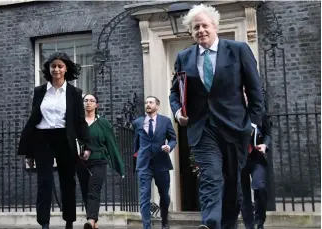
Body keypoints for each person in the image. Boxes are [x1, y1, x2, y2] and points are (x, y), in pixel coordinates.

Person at [169, 4, 264, 229]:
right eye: (195, 28)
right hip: (202, 127)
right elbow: (175, 92)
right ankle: (210, 222)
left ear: (215, 26)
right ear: (191, 33)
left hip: (234, 127)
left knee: (232, 184)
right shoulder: (184, 57)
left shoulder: (238, 50)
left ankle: (227, 224)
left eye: (204, 25)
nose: (200, 30)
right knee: (211, 176)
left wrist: (253, 124)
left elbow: (255, 90)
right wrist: (177, 112)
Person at [17, 51, 91, 229]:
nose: (56, 69)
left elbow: (80, 121)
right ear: (49, 69)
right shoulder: (40, 91)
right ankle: (44, 223)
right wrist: (29, 151)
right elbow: (34, 120)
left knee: (68, 181)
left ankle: (69, 221)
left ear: (66, 69)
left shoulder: (74, 92)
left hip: (64, 138)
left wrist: (86, 145)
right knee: (44, 181)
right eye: (53, 66)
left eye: (60, 66)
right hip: (43, 139)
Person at [76, 93, 125, 229]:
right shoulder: (78, 123)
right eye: (86, 100)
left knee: (94, 189)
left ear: (96, 105)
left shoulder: (103, 123)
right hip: (81, 162)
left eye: (92, 101)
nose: (88, 103)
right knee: (85, 191)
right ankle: (94, 223)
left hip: (99, 160)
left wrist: (119, 166)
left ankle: (91, 220)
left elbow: (111, 144)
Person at [133, 96, 177, 229]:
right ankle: (147, 226)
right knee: (144, 196)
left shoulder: (166, 121)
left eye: (151, 102)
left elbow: (173, 139)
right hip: (144, 163)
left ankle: (164, 221)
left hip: (161, 162)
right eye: (146, 102)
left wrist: (169, 147)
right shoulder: (138, 122)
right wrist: (137, 158)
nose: (148, 104)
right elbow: (136, 142)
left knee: (164, 195)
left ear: (157, 106)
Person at [241, 89, 271, 229]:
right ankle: (249, 226)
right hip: (240, 158)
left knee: (260, 187)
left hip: (257, 156)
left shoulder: (260, 113)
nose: (246, 96)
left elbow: (268, 134)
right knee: (244, 196)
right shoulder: (234, 113)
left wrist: (265, 145)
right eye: (243, 93)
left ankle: (260, 222)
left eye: (248, 93)